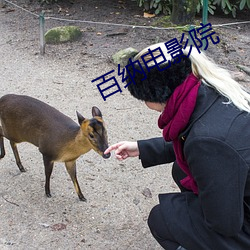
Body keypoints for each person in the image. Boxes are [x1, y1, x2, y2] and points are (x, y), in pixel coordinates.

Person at [104, 43, 250, 250]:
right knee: (181, 169)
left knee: (162, 218)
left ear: (155, 93)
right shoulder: (210, 88)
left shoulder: (207, 143)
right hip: (240, 186)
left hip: (241, 222)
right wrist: (141, 148)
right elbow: (195, 139)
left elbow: (225, 224)